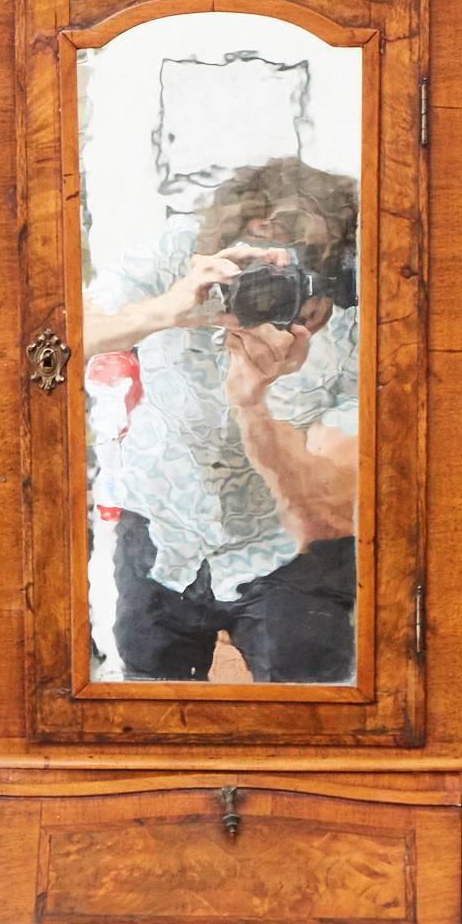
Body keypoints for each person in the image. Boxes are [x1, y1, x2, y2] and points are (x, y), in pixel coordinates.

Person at [82, 157, 359, 683]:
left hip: (285, 545)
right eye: (252, 265)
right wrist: (166, 308)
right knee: (148, 706)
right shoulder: (182, 251)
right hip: (162, 522)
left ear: (330, 287)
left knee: (307, 713)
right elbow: (57, 335)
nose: (264, 288)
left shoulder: (358, 310)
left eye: (290, 276)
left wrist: (252, 403)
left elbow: (323, 512)